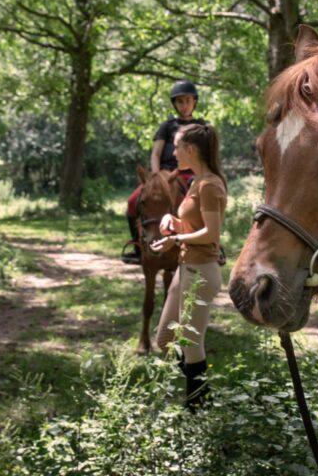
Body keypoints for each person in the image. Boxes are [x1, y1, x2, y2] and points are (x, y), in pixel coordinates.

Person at [151, 123, 227, 410]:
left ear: (191, 150)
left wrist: (177, 239)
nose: (173, 151)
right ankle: (199, 393)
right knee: (165, 338)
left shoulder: (210, 185)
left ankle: (198, 410)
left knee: (191, 343)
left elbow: (212, 234)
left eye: (177, 146)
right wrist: (174, 223)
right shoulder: (197, 182)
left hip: (202, 272)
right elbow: (196, 225)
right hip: (186, 268)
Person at [121, 80, 205, 264]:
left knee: (201, 204)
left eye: (188, 100)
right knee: (132, 202)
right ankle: (138, 247)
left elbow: (205, 155)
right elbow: (156, 154)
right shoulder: (167, 126)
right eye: (180, 101)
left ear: (194, 102)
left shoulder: (201, 126)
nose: (184, 105)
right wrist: (156, 178)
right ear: (175, 104)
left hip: (189, 175)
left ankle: (209, 245)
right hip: (163, 174)